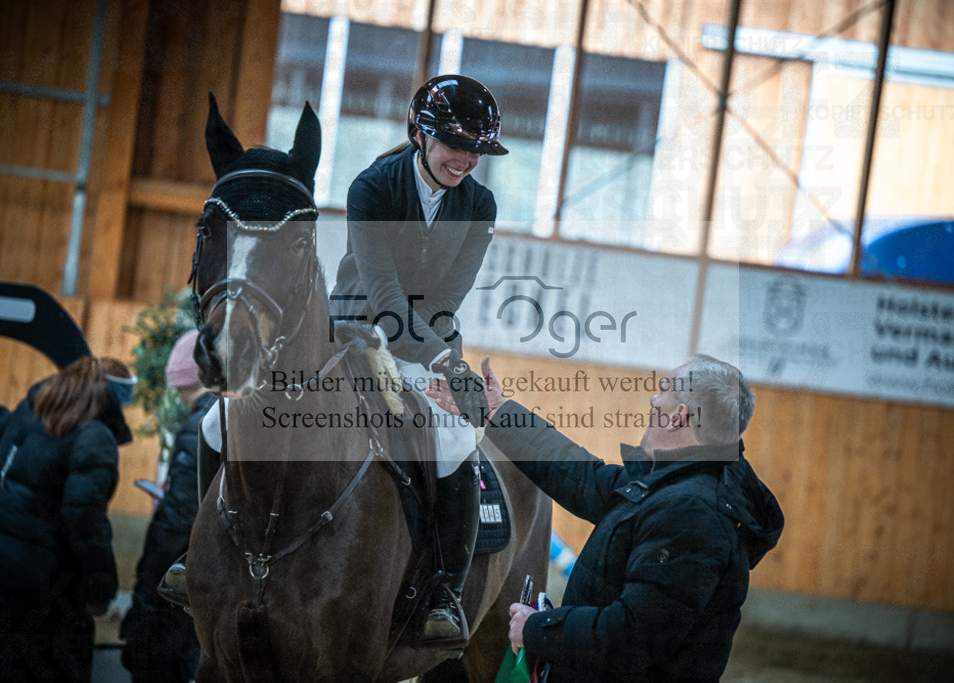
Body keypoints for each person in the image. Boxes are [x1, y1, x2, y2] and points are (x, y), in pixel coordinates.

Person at [426, 354, 785, 681]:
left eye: (663, 390)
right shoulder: (671, 486)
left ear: (679, 416)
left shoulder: (692, 513)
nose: (653, 399)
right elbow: (577, 474)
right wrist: (496, 412)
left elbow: (634, 636)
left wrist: (537, 629)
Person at [329, 73, 507, 646]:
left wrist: (441, 360)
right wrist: (446, 362)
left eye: (476, 150)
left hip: (427, 337)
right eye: (455, 144)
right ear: (420, 135)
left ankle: (445, 595)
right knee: (220, 420)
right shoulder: (372, 187)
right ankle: (194, 556)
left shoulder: (481, 204)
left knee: (456, 437)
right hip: (352, 330)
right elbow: (382, 296)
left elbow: (447, 297)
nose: (466, 160)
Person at [0, 355, 135, 681]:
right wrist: (100, 588)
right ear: (112, 397)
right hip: (43, 595)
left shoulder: (30, 414)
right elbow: (85, 521)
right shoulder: (95, 437)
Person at [121, 330, 215, 682]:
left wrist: (147, 586)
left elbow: (179, 520)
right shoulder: (225, 420)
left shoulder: (198, 427)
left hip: (180, 575)